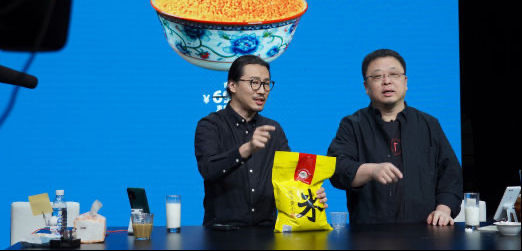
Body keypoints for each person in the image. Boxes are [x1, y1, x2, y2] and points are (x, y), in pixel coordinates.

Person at [327, 49, 462, 226]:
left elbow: (451, 175)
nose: (387, 81)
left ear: (405, 82)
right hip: (368, 234)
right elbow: (337, 168)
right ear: (366, 87)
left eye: (394, 74)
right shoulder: (352, 125)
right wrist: (371, 170)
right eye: (377, 76)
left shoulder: (429, 124)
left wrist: (443, 210)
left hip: (424, 232)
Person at [195, 55, 327, 228]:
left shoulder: (273, 129)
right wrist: (246, 149)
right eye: (254, 82)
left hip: (267, 231)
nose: (262, 91)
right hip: (222, 232)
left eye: (266, 83)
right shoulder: (211, 125)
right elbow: (208, 169)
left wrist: (310, 193)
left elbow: (288, 178)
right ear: (232, 85)